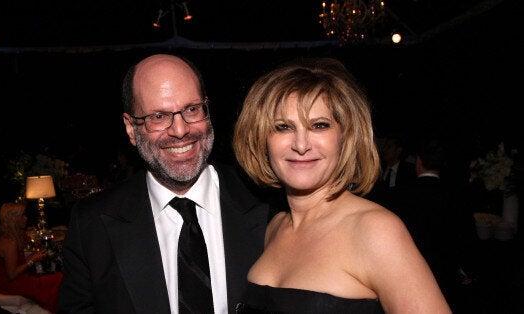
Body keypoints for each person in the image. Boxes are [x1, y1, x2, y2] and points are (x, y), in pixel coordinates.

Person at [232, 57, 451, 313]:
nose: (301, 145)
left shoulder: (375, 230)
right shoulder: (274, 227)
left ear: (345, 137)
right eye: (283, 127)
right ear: (261, 139)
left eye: (319, 125)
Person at [58, 53, 270, 314]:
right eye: (158, 116)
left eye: (192, 109)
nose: (180, 130)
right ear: (130, 128)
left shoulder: (269, 205)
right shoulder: (92, 225)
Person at [388, 136, 475, 310]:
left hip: (408, 277)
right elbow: (467, 237)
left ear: (418, 162)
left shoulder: (400, 194)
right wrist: (467, 271)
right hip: (446, 277)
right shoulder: (456, 197)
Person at [0, 202, 63, 314]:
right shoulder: (9, 242)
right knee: (57, 278)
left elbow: (19, 259)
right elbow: (12, 274)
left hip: (18, 277)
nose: (26, 218)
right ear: (14, 219)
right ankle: (50, 310)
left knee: (54, 276)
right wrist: (32, 260)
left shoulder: (16, 235)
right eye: (22, 216)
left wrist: (33, 255)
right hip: (9, 283)